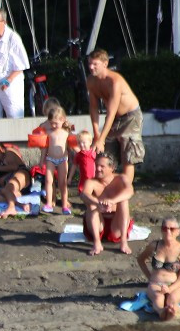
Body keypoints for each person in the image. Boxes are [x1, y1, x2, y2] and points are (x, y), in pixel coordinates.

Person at [86, 48, 144, 182]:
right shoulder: (91, 81)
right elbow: (94, 108)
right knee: (106, 153)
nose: (91, 67)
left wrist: (101, 139)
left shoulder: (115, 81)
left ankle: (125, 192)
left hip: (130, 116)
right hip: (114, 118)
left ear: (105, 64)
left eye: (95, 64)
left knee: (127, 153)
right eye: (89, 63)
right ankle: (106, 189)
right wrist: (97, 135)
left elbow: (111, 112)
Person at [80, 153, 135, 256]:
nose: (98, 169)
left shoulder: (121, 178)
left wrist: (112, 201)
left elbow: (130, 191)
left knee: (124, 201)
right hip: (97, 224)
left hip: (116, 225)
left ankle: (123, 242)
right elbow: (84, 194)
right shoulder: (91, 182)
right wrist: (98, 203)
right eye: (96, 165)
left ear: (112, 168)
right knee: (91, 204)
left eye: (102, 166)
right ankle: (97, 243)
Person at [136, 217, 180, 321]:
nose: (168, 231)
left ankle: (171, 311)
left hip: (174, 285)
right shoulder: (154, 245)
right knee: (158, 298)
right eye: (165, 228)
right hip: (156, 283)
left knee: (173, 300)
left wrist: (169, 289)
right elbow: (140, 260)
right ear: (161, 230)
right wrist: (150, 277)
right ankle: (161, 312)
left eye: (172, 229)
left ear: (178, 231)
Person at [0, 140, 32, 217]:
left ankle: (11, 208)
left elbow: (14, 167)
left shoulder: (8, 153)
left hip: (21, 174)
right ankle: (21, 205)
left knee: (6, 190)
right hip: (15, 187)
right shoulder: (0, 159)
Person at [40, 105, 74, 215]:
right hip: (50, 159)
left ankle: (64, 205)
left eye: (56, 123)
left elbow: (71, 147)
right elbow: (45, 147)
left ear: (63, 120)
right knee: (48, 181)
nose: (53, 125)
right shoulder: (48, 132)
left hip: (63, 160)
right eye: (51, 123)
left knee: (62, 183)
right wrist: (42, 160)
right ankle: (49, 203)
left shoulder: (66, 133)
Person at [70, 129, 96, 193]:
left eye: (84, 142)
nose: (81, 145)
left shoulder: (93, 153)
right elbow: (74, 166)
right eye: (79, 143)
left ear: (90, 142)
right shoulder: (78, 155)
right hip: (83, 179)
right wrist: (70, 178)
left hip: (93, 178)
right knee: (83, 192)